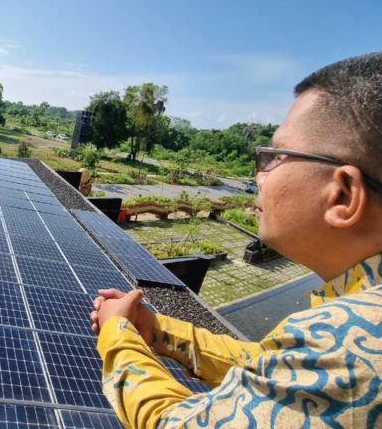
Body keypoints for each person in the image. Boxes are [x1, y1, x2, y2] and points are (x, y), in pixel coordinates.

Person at [90, 52, 382, 428]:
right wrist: (160, 331)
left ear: (342, 195)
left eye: (275, 156)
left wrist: (119, 334)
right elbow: (268, 365)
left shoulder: (350, 346)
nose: (259, 176)